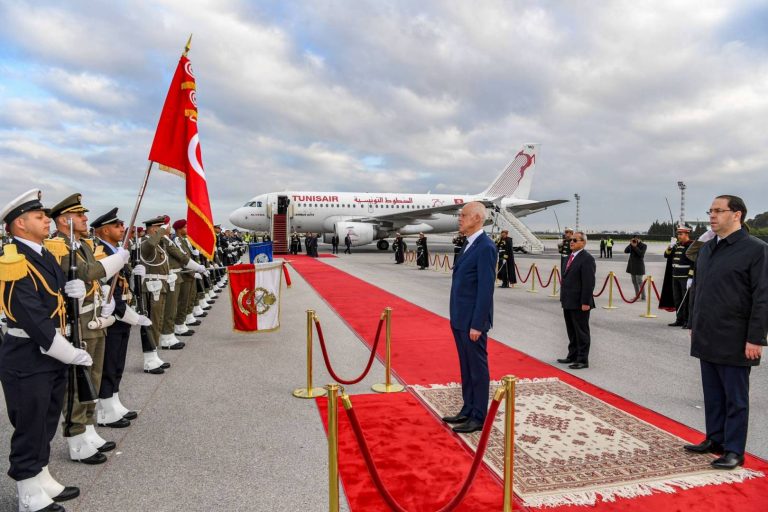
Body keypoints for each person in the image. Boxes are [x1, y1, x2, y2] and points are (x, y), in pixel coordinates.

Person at [0, 189, 88, 510]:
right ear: (20, 224)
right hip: (28, 354)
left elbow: (55, 297)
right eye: (39, 217)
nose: (47, 220)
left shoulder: (44, 253)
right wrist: (67, 351)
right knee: (30, 423)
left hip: (50, 353)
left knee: (47, 418)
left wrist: (74, 291)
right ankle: (27, 492)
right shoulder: (12, 260)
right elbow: (31, 314)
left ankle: (41, 475)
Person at [683, 195, 767, 470]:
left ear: (737, 214)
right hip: (707, 333)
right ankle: (715, 439)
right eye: (711, 211)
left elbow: (762, 297)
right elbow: (698, 290)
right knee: (713, 394)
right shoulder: (707, 249)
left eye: (719, 211)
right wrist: (693, 324)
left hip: (736, 336)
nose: (712, 216)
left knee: (735, 398)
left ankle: (734, 450)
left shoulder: (756, 250)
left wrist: (756, 337)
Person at [50, 193, 131, 464]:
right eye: (79, 215)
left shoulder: (81, 244)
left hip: (94, 317)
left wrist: (105, 299)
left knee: (92, 378)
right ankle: (75, 437)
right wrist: (116, 260)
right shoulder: (58, 245)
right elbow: (87, 272)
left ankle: (88, 428)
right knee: (76, 381)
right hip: (77, 322)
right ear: (64, 220)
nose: (86, 218)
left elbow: (92, 278)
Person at [441, 202, 497, 434]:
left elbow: (485, 289)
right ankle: (468, 408)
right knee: (466, 367)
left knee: (477, 369)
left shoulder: (486, 247)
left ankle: (478, 416)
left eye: (463, 215)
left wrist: (477, 324)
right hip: (459, 317)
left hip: (473, 322)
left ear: (477, 218)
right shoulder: (468, 243)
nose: (459, 219)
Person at [92, 208, 148, 429]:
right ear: (105, 230)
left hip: (122, 309)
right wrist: (132, 317)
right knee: (109, 362)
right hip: (113, 313)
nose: (122, 229)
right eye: (117, 226)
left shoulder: (116, 250)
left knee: (117, 362)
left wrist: (135, 274)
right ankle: (105, 409)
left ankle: (114, 401)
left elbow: (122, 280)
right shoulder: (101, 252)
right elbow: (109, 287)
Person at [557, 231, 596, 370]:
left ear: (583, 243)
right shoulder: (569, 257)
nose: (571, 242)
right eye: (571, 240)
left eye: (575, 240)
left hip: (580, 302)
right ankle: (572, 355)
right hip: (568, 300)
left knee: (581, 332)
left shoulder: (587, 259)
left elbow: (589, 283)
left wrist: (585, 302)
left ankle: (582, 359)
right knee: (571, 330)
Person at [664, 225, 694, 326]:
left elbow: (694, 262)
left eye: (681, 234)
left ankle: (687, 321)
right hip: (675, 276)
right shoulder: (677, 245)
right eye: (678, 234)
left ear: (687, 234)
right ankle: (679, 320)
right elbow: (666, 255)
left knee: (686, 300)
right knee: (677, 299)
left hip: (685, 277)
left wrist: (690, 277)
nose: (679, 236)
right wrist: (670, 246)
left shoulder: (691, 245)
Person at [624, 235, 647, 300]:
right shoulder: (631, 244)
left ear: (639, 239)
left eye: (637, 239)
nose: (635, 240)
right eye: (634, 239)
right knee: (634, 281)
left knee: (639, 281)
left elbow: (641, 254)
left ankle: (643, 297)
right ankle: (637, 296)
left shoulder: (644, 245)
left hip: (639, 266)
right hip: (632, 266)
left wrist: (635, 246)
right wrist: (630, 244)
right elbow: (625, 251)